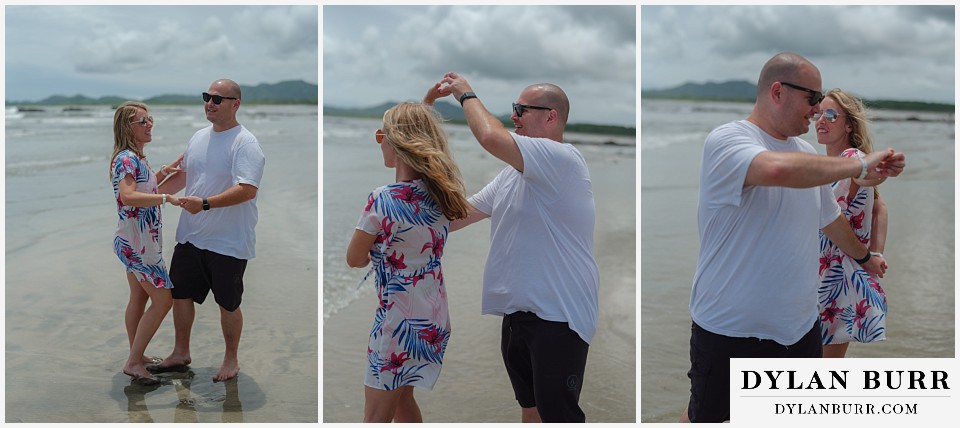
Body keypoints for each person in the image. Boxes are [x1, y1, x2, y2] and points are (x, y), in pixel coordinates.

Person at [682, 53, 905, 423]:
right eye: (812, 99)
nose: (818, 111)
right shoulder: (728, 139)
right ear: (777, 91)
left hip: (800, 331)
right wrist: (860, 164)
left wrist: (866, 258)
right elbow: (775, 168)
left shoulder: (804, 151)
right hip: (732, 330)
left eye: (822, 103)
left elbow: (831, 220)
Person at [436, 72, 600, 423]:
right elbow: (461, 215)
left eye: (521, 109)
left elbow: (490, 136)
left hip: (559, 317)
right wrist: (399, 219)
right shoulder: (514, 174)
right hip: (518, 314)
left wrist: (466, 94)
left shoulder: (561, 159)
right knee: (530, 409)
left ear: (550, 116)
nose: (514, 116)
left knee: (560, 416)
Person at [346, 98, 471, 423]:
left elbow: (354, 259)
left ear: (396, 141)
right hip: (432, 320)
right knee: (403, 403)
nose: (379, 143)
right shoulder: (444, 195)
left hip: (396, 322)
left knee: (375, 417)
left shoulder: (383, 198)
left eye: (380, 135)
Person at [152, 79, 265, 382]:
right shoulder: (198, 137)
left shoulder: (246, 142)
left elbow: (247, 189)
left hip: (228, 241)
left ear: (235, 104)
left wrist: (204, 204)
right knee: (180, 295)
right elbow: (184, 176)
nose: (210, 103)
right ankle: (180, 352)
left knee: (227, 303)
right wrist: (151, 198)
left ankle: (230, 360)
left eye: (217, 99)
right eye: (207, 97)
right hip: (191, 235)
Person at [111, 101, 183, 384]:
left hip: (138, 241)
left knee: (139, 299)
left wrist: (165, 172)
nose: (149, 124)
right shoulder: (126, 159)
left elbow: (144, 186)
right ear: (127, 127)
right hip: (136, 245)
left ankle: (137, 356)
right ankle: (133, 362)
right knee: (164, 300)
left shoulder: (136, 158)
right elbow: (128, 195)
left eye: (149, 119)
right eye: (142, 121)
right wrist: (168, 198)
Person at [815, 88, 889, 358]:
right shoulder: (830, 164)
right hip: (821, 275)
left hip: (838, 279)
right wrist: (877, 252)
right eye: (819, 113)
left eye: (831, 115)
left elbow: (868, 176)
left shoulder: (852, 159)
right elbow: (880, 207)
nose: (822, 120)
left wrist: (878, 172)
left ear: (848, 124)